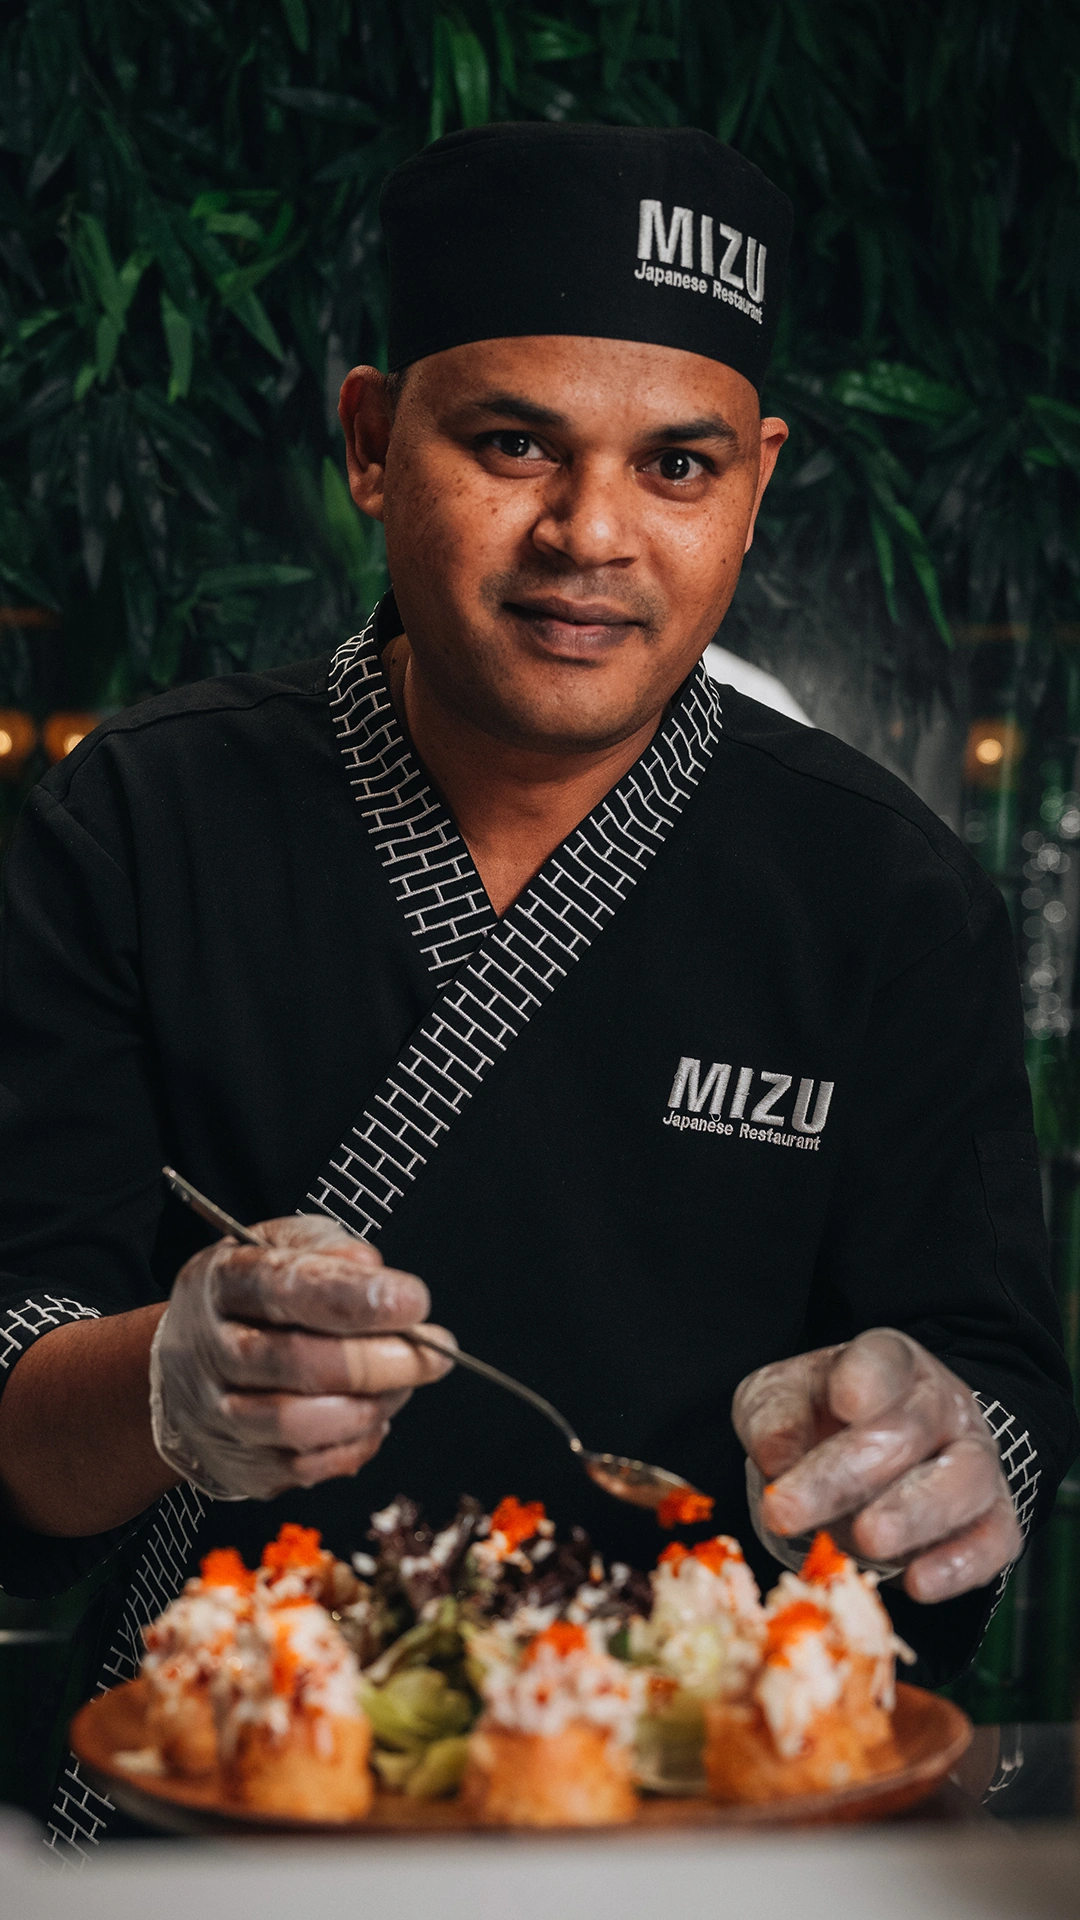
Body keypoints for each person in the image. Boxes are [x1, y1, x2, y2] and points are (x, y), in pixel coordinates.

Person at [0, 124, 1074, 1856]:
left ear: (756, 485)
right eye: (513, 444)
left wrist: (946, 1453)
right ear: (371, 443)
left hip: (703, 1804)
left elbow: (999, 1389)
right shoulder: (139, 820)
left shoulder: (893, 898)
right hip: (223, 1795)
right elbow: (11, 1390)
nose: (591, 534)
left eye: (678, 465)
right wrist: (162, 1385)